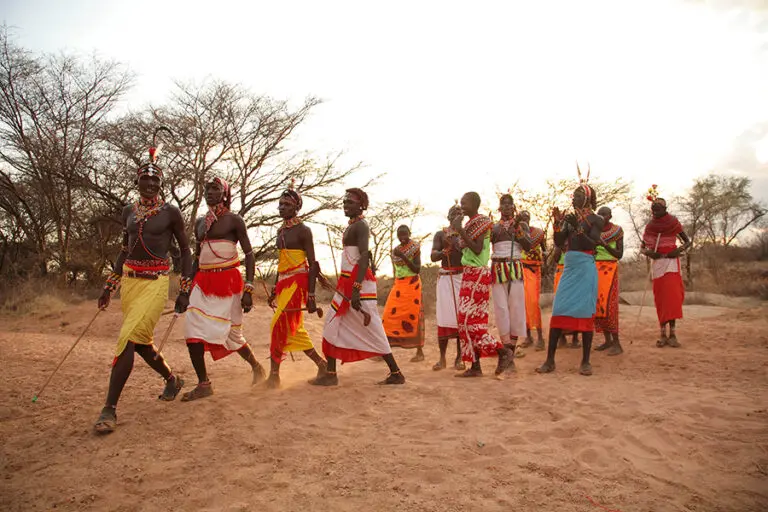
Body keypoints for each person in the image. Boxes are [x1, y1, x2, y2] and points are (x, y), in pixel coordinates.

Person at [93, 137, 191, 434]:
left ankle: (109, 409)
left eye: (155, 180)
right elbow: (124, 248)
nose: (150, 184)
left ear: (161, 183)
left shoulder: (171, 213)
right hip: (130, 283)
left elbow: (185, 251)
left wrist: (184, 289)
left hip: (156, 283)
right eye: (145, 179)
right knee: (140, 342)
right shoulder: (128, 212)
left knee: (127, 340)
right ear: (138, 181)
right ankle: (172, 379)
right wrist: (110, 285)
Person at [180, 177, 267, 401]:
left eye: (215, 189)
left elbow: (249, 254)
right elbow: (198, 258)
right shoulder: (201, 223)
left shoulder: (234, 220)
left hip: (228, 282)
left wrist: (249, 288)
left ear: (225, 193)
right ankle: (203, 383)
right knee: (192, 328)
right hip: (203, 282)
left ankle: (257, 366)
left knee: (232, 335)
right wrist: (186, 288)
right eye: (207, 189)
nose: (210, 192)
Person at [310, 188, 405, 386]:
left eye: (350, 202)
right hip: (349, 283)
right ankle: (331, 373)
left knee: (371, 327)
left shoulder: (361, 225)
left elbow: (363, 257)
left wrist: (355, 288)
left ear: (361, 205)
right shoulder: (352, 225)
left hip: (359, 284)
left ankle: (396, 372)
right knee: (332, 325)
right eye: (344, 202)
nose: (345, 205)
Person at [264, 184, 328, 388]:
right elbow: (280, 263)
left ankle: (274, 376)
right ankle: (322, 364)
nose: (281, 208)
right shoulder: (280, 231)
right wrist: (274, 289)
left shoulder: (304, 231)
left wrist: (311, 296)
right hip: (283, 282)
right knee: (293, 329)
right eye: (280, 204)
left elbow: (312, 265)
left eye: (286, 204)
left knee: (278, 324)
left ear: (296, 207)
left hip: (298, 281)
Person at [536, 183, 603, 376]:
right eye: (573, 195)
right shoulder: (569, 218)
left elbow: (592, 242)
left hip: (585, 267)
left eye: (578, 195)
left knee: (585, 311)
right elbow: (559, 242)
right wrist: (558, 224)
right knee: (559, 309)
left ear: (588, 198)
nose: (573, 198)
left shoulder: (595, 219)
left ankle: (585, 362)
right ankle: (549, 361)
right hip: (570, 266)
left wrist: (578, 229)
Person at [451, 192, 514, 378]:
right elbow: (461, 246)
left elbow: (477, 248)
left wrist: (460, 230)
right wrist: (457, 230)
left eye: (465, 203)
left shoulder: (482, 222)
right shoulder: (471, 223)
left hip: (478, 273)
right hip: (469, 272)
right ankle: (475, 366)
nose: (462, 206)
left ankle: (503, 352)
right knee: (464, 323)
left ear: (474, 204)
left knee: (471, 323)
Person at [641, 190, 691, 348]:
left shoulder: (673, 222)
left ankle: (673, 334)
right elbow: (642, 248)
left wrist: (678, 250)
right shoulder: (650, 226)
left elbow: (687, 241)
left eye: (658, 209)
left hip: (671, 263)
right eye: (653, 209)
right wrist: (650, 253)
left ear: (665, 208)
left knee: (672, 298)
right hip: (658, 265)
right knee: (661, 299)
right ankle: (662, 334)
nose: (655, 211)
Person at [490, 194, 532, 366]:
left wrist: (518, 230)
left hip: (515, 268)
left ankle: (510, 355)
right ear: (499, 208)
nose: (506, 207)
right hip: (497, 269)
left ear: (514, 207)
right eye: (503, 204)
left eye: (509, 204)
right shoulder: (494, 228)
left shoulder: (521, 225)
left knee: (515, 308)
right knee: (501, 310)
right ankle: (506, 352)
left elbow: (528, 245)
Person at [430, 203, 465, 371]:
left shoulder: (466, 234)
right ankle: (442, 358)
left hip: (461, 278)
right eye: (454, 213)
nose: (458, 216)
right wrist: (445, 251)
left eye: (461, 214)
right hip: (445, 278)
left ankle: (459, 358)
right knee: (444, 318)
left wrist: (458, 245)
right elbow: (433, 256)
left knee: (460, 318)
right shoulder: (440, 234)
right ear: (449, 217)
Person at [383, 225, 426, 361]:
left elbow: (416, 269)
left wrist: (403, 256)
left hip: (412, 285)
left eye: (405, 234)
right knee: (389, 315)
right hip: (399, 285)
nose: (402, 238)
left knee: (414, 316)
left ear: (409, 233)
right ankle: (384, 349)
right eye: (400, 235)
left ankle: (419, 352)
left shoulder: (415, 248)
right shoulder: (395, 251)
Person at [594, 206, 625, 356]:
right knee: (598, 306)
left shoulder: (617, 231)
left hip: (610, 269)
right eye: (599, 214)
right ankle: (607, 340)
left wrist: (604, 245)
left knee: (610, 306)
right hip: (594, 269)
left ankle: (617, 343)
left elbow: (619, 254)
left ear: (610, 216)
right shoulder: (593, 232)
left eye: (604, 214)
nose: (601, 217)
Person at [519, 211, 546, 350]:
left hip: (534, 270)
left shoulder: (539, 233)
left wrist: (545, 263)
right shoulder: (517, 233)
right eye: (522, 218)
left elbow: (544, 251)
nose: (525, 220)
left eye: (526, 217)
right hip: (519, 270)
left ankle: (540, 338)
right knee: (522, 304)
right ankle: (528, 336)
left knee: (534, 303)